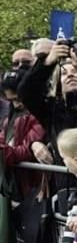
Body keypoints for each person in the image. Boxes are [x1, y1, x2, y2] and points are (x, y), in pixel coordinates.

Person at [0, 70, 44, 200]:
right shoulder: (10, 118)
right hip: (17, 188)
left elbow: (24, 152)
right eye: (11, 100)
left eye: (19, 99)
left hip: (35, 189)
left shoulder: (41, 115)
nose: (16, 104)